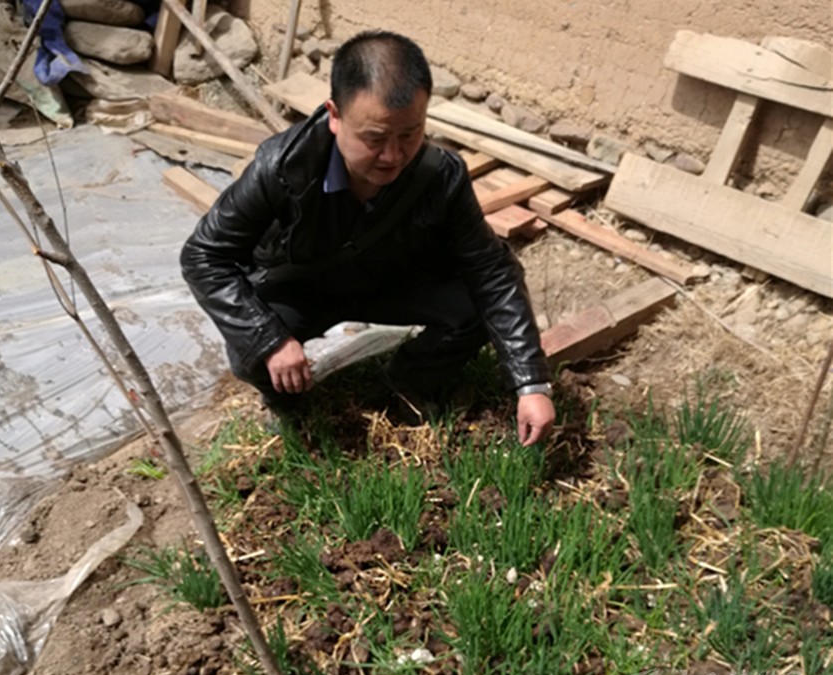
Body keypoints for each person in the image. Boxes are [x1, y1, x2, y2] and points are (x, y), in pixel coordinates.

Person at [181, 30, 555, 445]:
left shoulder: (441, 176)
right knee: (250, 350)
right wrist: (269, 340)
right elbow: (203, 255)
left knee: (475, 307)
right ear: (334, 115)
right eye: (374, 138)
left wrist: (531, 383)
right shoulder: (282, 167)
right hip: (303, 288)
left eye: (409, 134)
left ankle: (409, 380)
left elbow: (491, 271)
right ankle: (289, 403)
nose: (392, 156)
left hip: (391, 281)